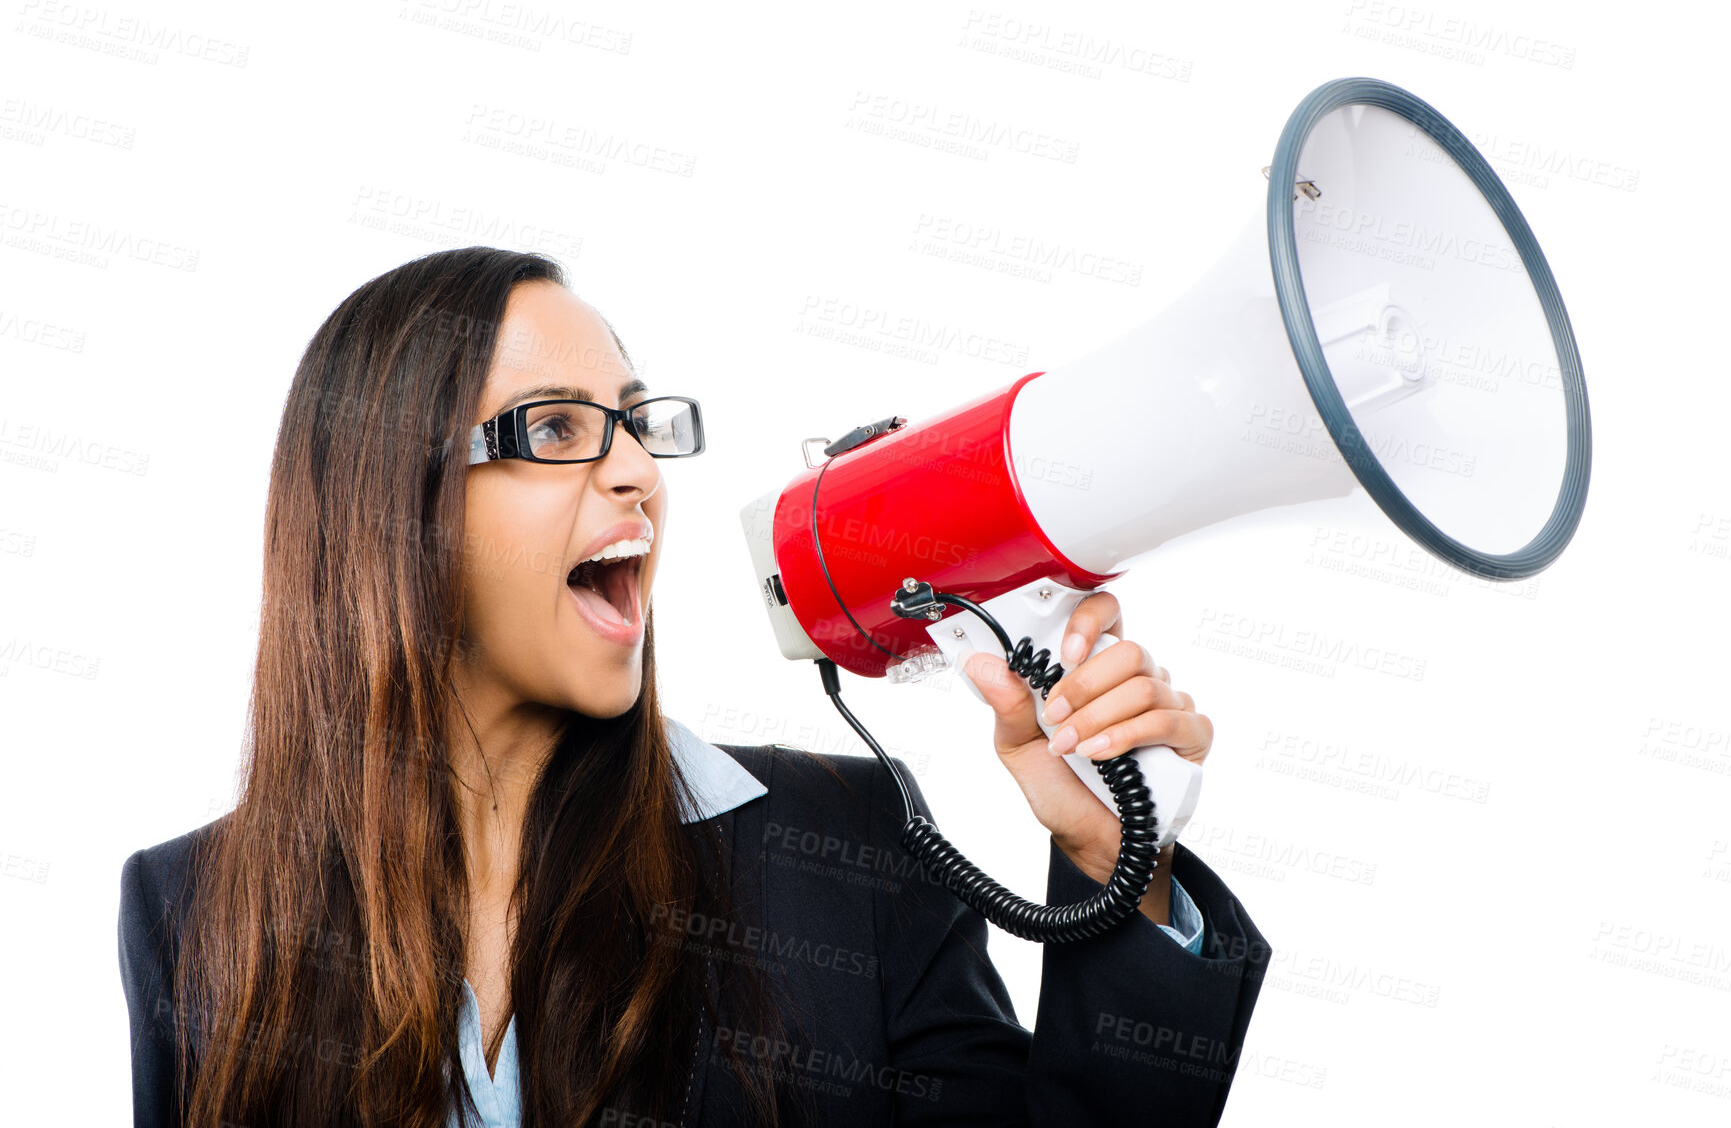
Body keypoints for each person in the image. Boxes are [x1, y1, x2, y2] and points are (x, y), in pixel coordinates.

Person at [117, 247, 1270, 1128]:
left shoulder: (849, 846)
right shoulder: (192, 912)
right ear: (389, 508)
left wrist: (1120, 865)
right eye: (558, 427)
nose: (635, 472)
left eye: (635, 423)